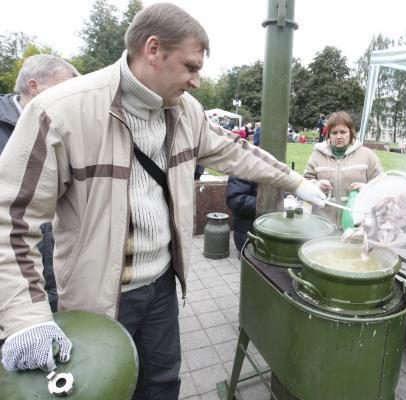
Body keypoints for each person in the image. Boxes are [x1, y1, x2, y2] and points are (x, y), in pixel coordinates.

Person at [0, 4, 325, 400]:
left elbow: (233, 151)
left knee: (162, 385)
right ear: (153, 50)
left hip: (162, 288)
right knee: (105, 391)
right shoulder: (60, 111)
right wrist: (26, 318)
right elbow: (12, 218)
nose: (197, 81)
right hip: (98, 297)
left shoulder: (187, 112)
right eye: (190, 67)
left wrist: (296, 182)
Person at [0, 54, 79, 313]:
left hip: (52, 251)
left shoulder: (63, 126)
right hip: (12, 258)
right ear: (33, 86)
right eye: (64, 88)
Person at [304, 111, 383, 228]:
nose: (339, 136)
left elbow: (382, 186)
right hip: (322, 226)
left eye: (343, 132)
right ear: (328, 135)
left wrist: (366, 190)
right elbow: (305, 184)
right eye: (334, 133)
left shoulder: (367, 155)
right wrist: (316, 185)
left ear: (351, 132)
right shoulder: (316, 155)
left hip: (358, 227)